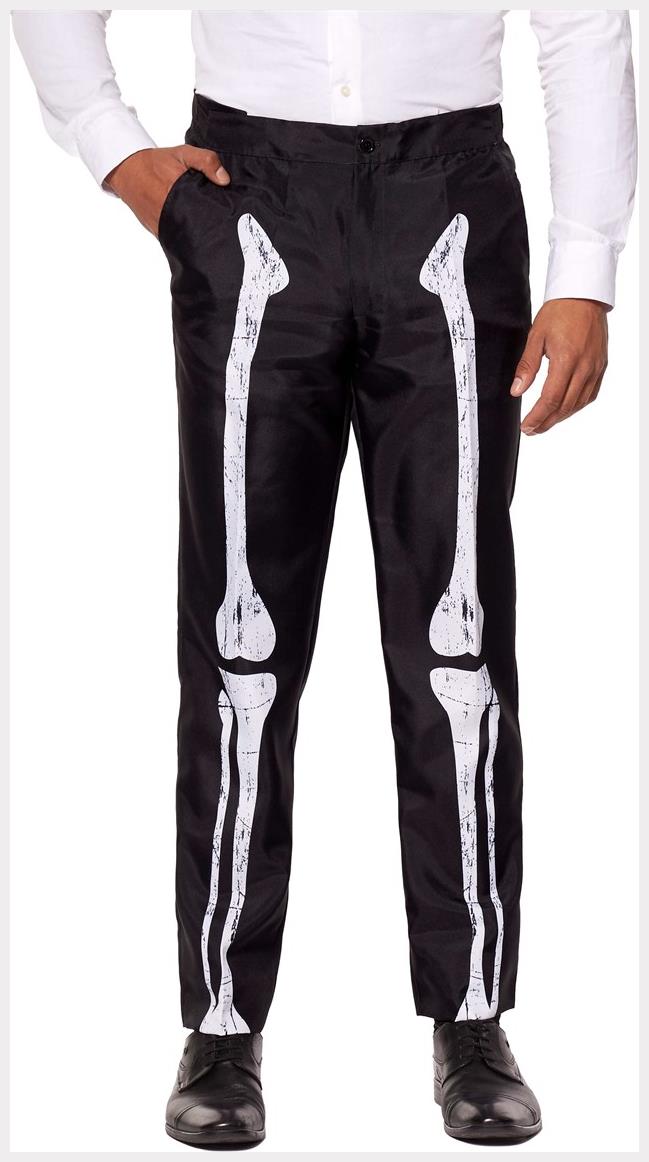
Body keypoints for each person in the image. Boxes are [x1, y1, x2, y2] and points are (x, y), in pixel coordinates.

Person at [12, 9, 637, 1149]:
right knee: (238, 643)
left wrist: (584, 265)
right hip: (250, 190)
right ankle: (221, 1020)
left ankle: (471, 1015)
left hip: (449, 191)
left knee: (457, 639)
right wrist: (112, 146)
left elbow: (580, 23)